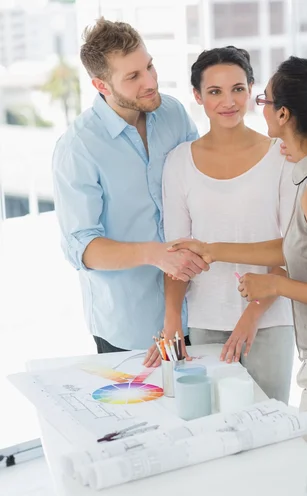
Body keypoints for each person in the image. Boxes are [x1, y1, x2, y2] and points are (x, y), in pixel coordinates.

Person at [170, 56, 307, 412]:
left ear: (284, 115)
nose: (259, 107)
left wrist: (274, 286)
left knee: (305, 461)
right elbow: (293, 248)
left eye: (265, 100)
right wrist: (210, 249)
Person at [52, 17, 209, 356]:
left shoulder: (174, 115)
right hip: (128, 327)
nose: (151, 82)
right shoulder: (78, 148)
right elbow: (82, 247)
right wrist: (155, 254)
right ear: (102, 85)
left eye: (149, 66)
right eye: (133, 77)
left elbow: (199, 191)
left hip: (195, 310)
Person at [159, 46, 296, 403]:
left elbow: (292, 248)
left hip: (269, 321)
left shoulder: (281, 155)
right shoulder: (178, 163)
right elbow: (176, 252)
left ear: (251, 88)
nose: (228, 101)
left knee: (271, 427)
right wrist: (173, 316)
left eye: (237, 88)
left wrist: (251, 316)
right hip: (206, 320)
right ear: (198, 96)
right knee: (214, 427)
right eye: (215, 92)